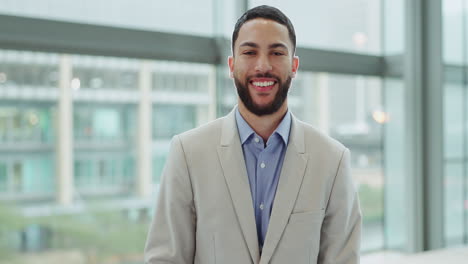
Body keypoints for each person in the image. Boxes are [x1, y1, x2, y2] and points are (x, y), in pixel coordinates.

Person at [144, 5, 361, 264]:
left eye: (276, 52)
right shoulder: (188, 152)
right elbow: (165, 259)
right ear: (232, 64)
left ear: (294, 65)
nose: (263, 66)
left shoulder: (332, 160)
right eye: (249, 52)